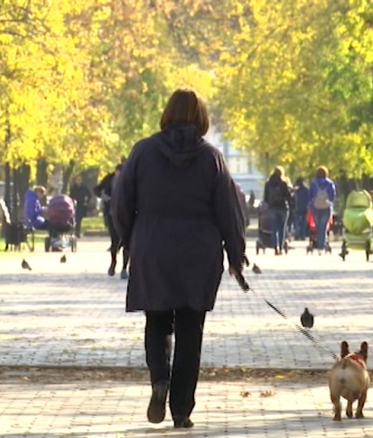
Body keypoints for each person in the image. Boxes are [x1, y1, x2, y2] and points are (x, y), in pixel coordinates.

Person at [113, 88, 247, 429]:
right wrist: (235, 255)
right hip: (198, 252)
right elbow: (228, 212)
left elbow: (122, 202)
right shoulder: (211, 158)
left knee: (157, 322)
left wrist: (128, 242)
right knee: (191, 329)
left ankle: (160, 378)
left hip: (152, 246)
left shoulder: (143, 152)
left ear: (167, 114)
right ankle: (182, 409)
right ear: (201, 118)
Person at [94, 164, 129, 278]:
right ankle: (113, 263)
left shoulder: (130, 179)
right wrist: (105, 198)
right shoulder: (109, 179)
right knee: (114, 241)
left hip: (127, 214)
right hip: (111, 213)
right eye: (118, 172)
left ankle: (124, 268)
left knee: (126, 242)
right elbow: (97, 189)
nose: (120, 175)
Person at [263, 166, 293, 255]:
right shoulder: (283, 183)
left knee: (274, 229)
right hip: (283, 208)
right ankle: (281, 247)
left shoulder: (268, 183)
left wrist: (269, 204)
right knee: (282, 229)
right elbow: (288, 196)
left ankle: (275, 247)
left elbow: (265, 197)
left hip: (272, 208)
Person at [308, 166, 337, 255]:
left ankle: (319, 245)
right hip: (326, 208)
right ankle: (321, 247)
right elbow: (333, 196)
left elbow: (309, 196)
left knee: (317, 227)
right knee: (323, 227)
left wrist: (311, 205)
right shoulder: (330, 183)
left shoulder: (313, 184)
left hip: (315, 208)